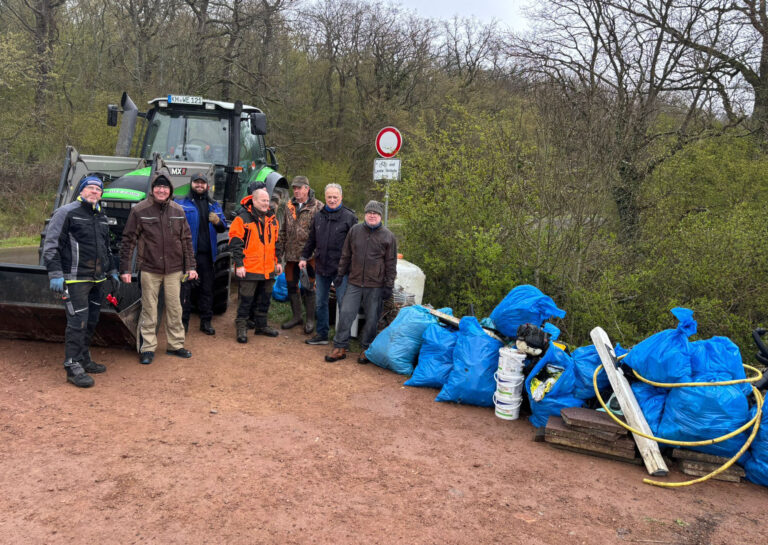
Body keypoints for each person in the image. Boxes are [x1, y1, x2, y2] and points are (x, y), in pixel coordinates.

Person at [43, 176, 118, 388]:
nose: (95, 191)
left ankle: (84, 358)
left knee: (91, 321)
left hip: (97, 279)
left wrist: (111, 269)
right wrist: (55, 273)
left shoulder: (101, 216)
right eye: (91, 188)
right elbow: (51, 244)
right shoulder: (66, 212)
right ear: (82, 190)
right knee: (78, 322)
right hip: (75, 279)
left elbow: (107, 247)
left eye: (98, 189)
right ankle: (72, 366)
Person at [119, 168, 198, 365]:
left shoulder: (178, 211)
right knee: (149, 309)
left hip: (174, 269)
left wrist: (191, 267)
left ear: (170, 190)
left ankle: (175, 345)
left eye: (165, 187)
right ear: (152, 189)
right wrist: (125, 269)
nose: (162, 190)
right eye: (158, 187)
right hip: (149, 268)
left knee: (175, 308)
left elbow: (187, 240)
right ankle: (147, 348)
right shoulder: (139, 210)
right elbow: (128, 241)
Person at [325, 200, 396, 364]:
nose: (372, 215)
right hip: (354, 282)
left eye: (376, 213)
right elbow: (346, 255)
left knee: (372, 318)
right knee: (346, 314)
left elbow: (391, 263)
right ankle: (340, 347)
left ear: (380, 216)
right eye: (369, 212)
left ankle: (366, 348)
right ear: (365, 214)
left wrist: (388, 285)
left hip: (376, 285)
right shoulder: (355, 231)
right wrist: (340, 274)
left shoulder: (388, 236)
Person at [299, 183, 357, 345]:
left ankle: (342, 340)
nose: (332, 200)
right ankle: (322, 335)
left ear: (341, 198)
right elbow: (312, 240)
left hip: (342, 270)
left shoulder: (349, 217)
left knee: (343, 305)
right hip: (321, 266)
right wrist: (304, 257)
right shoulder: (319, 215)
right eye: (329, 197)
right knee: (320, 303)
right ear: (325, 198)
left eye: (335, 197)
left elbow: (356, 246)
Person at [229, 187, 284, 343]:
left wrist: (278, 261)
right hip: (250, 267)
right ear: (254, 200)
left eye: (267, 200)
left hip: (268, 267)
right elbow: (235, 243)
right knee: (246, 300)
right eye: (263, 200)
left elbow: (277, 242)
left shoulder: (272, 219)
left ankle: (261, 326)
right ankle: (241, 328)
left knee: (264, 299)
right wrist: (239, 264)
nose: (266, 203)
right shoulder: (242, 219)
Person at [176, 172, 227, 335]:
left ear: (207, 185)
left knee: (207, 289)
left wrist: (218, 221)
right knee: (185, 291)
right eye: (196, 182)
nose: (199, 185)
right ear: (191, 184)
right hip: (188, 255)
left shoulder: (214, 205)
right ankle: (183, 324)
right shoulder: (181, 204)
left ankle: (206, 321)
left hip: (207, 255)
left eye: (202, 183)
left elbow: (223, 227)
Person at [279, 176, 323, 333]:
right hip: (290, 256)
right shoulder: (288, 206)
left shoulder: (318, 206)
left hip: (309, 257)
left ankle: (310, 319)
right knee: (291, 285)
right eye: (294, 188)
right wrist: (280, 254)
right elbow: (283, 230)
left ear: (307, 189)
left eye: (299, 188)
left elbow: (321, 234)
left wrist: (316, 253)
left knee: (309, 287)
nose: (296, 190)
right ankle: (297, 316)